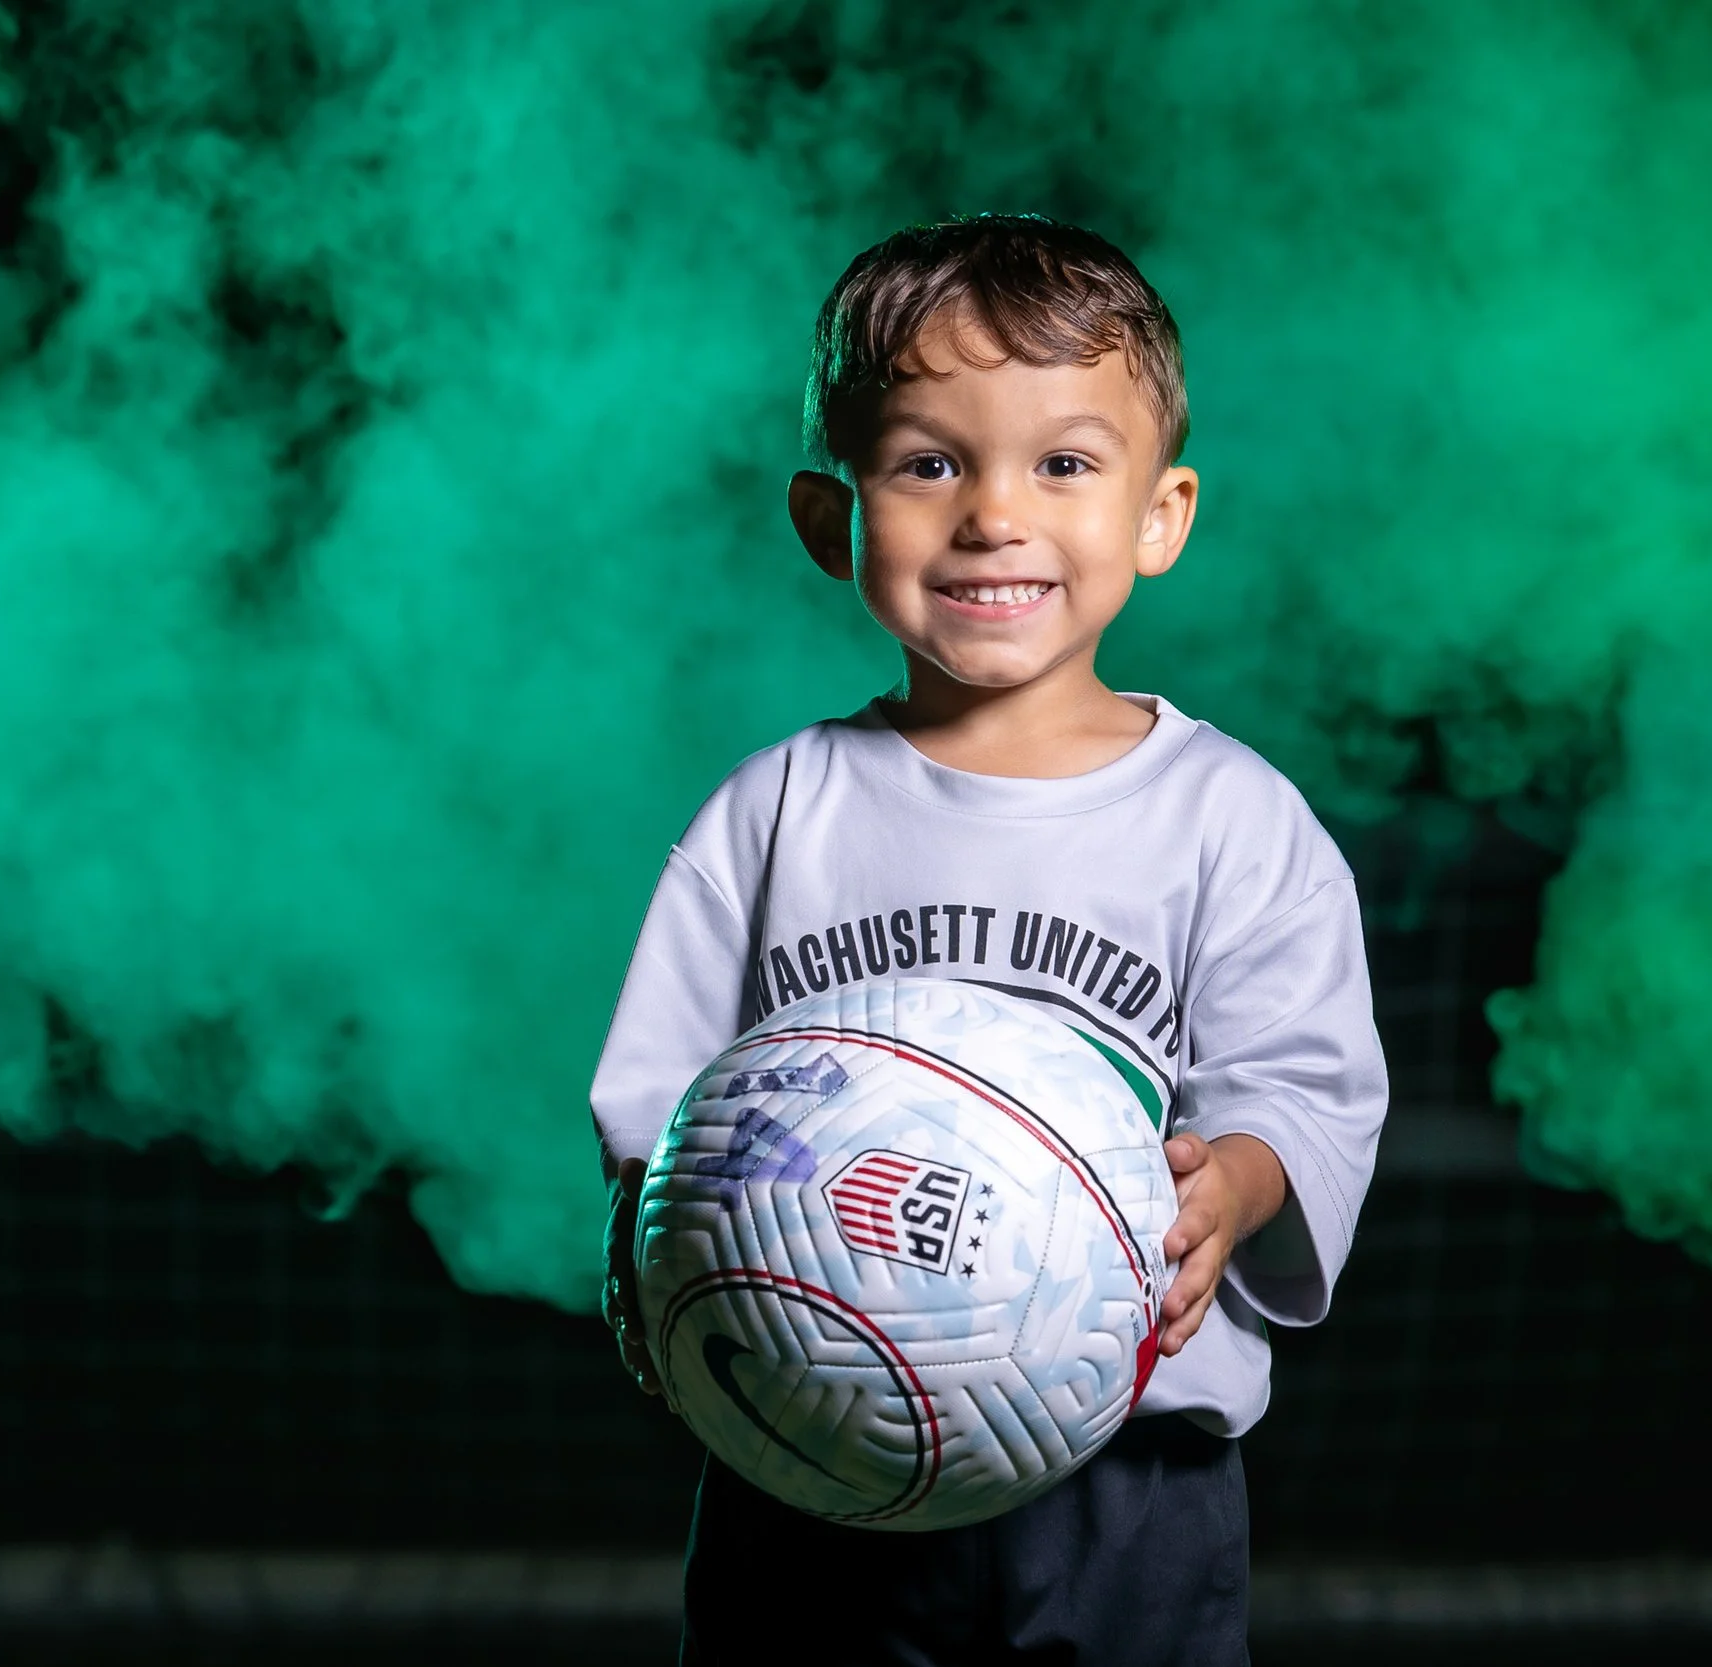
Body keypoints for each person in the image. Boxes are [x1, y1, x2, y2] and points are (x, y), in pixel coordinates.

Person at [589, 211, 1388, 1666]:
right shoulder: (776, 812)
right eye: (928, 462)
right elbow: (663, 1109)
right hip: (811, 1452)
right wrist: (660, 1247)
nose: (994, 514)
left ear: (1163, 515)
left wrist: (1236, 1190)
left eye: (1064, 464)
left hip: (1126, 1483)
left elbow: (1306, 1087)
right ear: (834, 520)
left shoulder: (1230, 818)